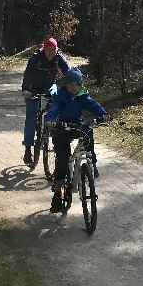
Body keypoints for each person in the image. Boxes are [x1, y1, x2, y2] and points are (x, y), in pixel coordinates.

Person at [45, 67, 106, 213]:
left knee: (88, 132)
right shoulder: (61, 96)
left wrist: (103, 115)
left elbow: (93, 105)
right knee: (63, 158)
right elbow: (54, 109)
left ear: (80, 85)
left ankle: (92, 163)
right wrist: (51, 120)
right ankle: (57, 191)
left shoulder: (82, 96)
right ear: (66, 84)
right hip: (61, 128)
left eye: (76, 84)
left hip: (75, 126)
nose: (73, 87)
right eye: (70, 84)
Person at [20, 37, 70, 165]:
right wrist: (26, 90)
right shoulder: (35, 59)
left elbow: (69, 73)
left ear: (56, 50)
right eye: (48, 50)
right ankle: (27, 149)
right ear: (44, 49)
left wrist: (72, 85)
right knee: (31, 117)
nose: (51, 53)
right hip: (33, 89)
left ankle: (50, 131)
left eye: (53, 50)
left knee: (57, 104)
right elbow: (27, 75)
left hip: (50, 87)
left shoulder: (59, 58)